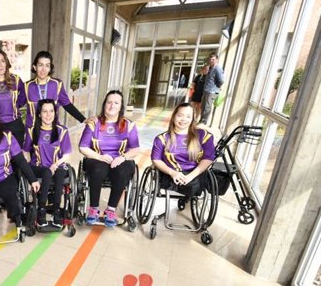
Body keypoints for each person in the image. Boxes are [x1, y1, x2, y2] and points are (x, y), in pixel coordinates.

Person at [79, 90, 139, 228]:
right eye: (109, 102)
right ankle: (93, 208)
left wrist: (123, 158)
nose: (112, 105)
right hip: (97, 157)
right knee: (98, 169)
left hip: (121, 159)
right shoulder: (94, 124)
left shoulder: (129, 125)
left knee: (122, 171)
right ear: (104, 104)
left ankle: (111, 210)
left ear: (121, 106)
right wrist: (99, 156)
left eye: (116, 102)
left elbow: (135, 149)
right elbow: (83, 147)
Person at [23, 99, 72, 227]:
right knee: (46, 172)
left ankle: (56, 210)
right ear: (39, 114)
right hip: (38, 166)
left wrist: (56, 164)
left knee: (60, 173)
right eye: (44, 111)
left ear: (55, 113)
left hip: (57, 165)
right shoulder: (32, 130)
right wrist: (27, 165)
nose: (48, 114)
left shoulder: (62, 130)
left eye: (51, 111)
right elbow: (26, 151)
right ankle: (42, 210)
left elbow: (66, 153)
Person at [151, 102, 215, 198]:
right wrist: (172, 173)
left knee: (196, 185)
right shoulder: (162, 138)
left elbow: (209, 158)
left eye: (188, 116)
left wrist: (191, 176)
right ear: (174, 116)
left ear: (193, 119)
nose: (183, 119)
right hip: (170, 174)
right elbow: (156, 159)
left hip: (195, 174)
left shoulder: (203, 135)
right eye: (180, 115)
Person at [24, 51, 86, 131]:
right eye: (40, 65)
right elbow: (15, 105)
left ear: (50, 68)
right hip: (32, 130)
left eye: (47, 65)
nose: (43, 69)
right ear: (35, 67)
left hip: (52, 130)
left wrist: (83, 119)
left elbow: (67, 105)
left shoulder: (57, 84)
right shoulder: (27, 86)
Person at [0, 49, 28, 146]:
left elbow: (25, 93)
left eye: (2, 61)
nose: (0, 65)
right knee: (1, 159)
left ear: (6, 63)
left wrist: (17, 104)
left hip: (16, 126)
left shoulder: (15, 79)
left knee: (17, 159)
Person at [200, 53, 224, 125]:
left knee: (207, 107)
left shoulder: (218, 69)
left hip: (212, 91)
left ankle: (204, 122)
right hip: (206, 90)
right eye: (210, 59)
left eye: (213, 59)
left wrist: (217, 87)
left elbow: (221, 81)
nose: (211, 61)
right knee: (203, 106)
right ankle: (201, 120)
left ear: (217, 60)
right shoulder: (210, 68)